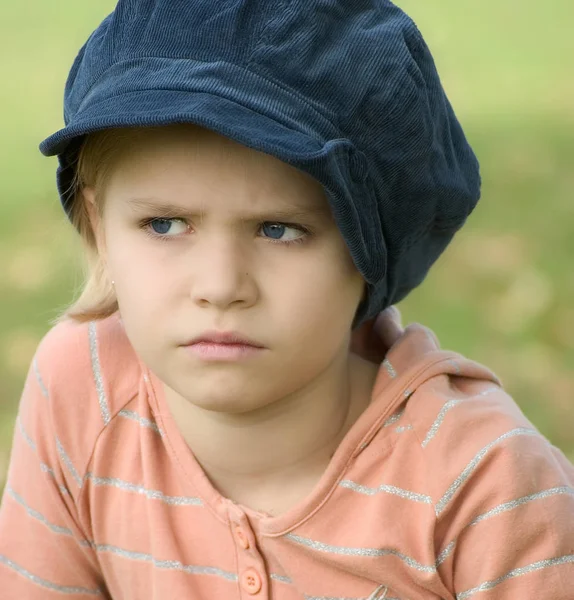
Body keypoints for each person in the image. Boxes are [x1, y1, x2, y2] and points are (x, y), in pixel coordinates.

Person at [1, 1, 573, 598]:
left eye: (279, 229)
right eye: (165, 225)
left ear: (367, 248)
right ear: (98, 224)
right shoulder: (82, 386)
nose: (221, 286)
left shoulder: (485, 485)